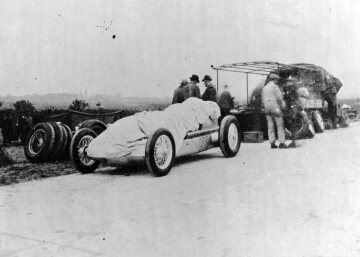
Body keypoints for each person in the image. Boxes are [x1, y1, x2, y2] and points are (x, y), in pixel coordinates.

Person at [262, 73, 287, 149]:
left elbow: (263, 100)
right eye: (276, 80)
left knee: (270, 125)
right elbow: (279, 98)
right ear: (274, 80)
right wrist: (283, 105)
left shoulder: (264, 88)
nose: (277, 81)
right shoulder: (275, 87)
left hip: (267, 109)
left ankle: (272, 143)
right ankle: (282, 142)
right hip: (275, 108)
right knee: (280, 125)